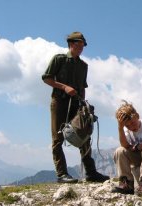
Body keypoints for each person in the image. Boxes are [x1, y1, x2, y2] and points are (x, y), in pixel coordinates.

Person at [42, 31, 109, 183]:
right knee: (57, 138)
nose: (80, 48)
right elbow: (47, 78)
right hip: (59, 102)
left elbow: (83, 87)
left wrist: (84, 105)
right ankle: (62, 174)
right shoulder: (59, 59)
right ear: (71, 44)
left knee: (84, 135)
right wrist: (64, 87)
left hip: (77, 105)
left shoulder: (83, 66)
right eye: (77, 45)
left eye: (82, 46)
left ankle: (91, 173)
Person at [113, 100, 142, 195]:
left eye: (132, 123)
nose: (131, 127)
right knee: (119, 151)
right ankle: (126, 183)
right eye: (127, 125)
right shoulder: (126, 129)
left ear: (137, 116)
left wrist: (137, 147)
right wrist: (120, 128)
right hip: (137, 157)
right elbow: (125, 145)